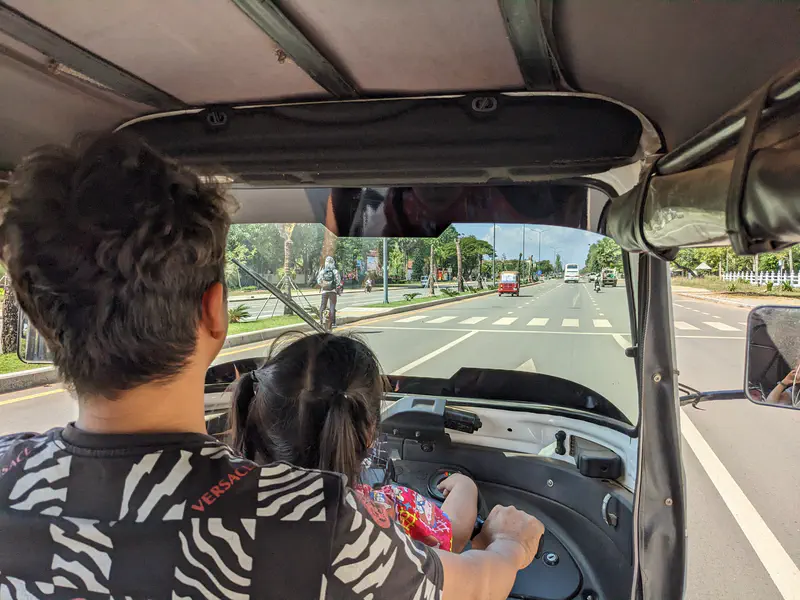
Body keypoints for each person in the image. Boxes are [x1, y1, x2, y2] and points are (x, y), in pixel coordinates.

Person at [0, 132, 544, 599]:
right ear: (216, 313)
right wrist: (510, 542)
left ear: (42, 324)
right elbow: (475, 585)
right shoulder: (310, 521)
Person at [229, 332, 479, 552]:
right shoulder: (383, 513)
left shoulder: (220, 506)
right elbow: (452, 535)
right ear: (369, 431)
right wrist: (465, 486)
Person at [318, 255, 341, 327]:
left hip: (324, 291)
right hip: (333, 291)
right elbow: (338, 281)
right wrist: (335, 286)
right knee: (332, 307)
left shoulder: (322, 271)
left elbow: (319, 281)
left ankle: (321, 321)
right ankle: (333, 323)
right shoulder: (335, 271)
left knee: (323, 306)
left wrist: (324, 285)